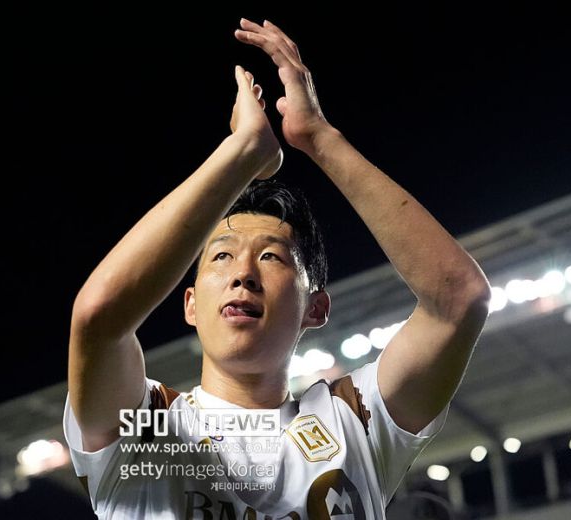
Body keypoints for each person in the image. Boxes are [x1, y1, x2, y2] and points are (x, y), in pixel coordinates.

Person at [64, 17, 491, 519]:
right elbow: (99, 317)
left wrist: (318, 137)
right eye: (221, 256)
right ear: (190, 305)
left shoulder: (353, 421)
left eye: (271, 256)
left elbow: (459, 299)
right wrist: (242, 152)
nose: (242, 273)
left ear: (316, 307)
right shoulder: (152, 427)